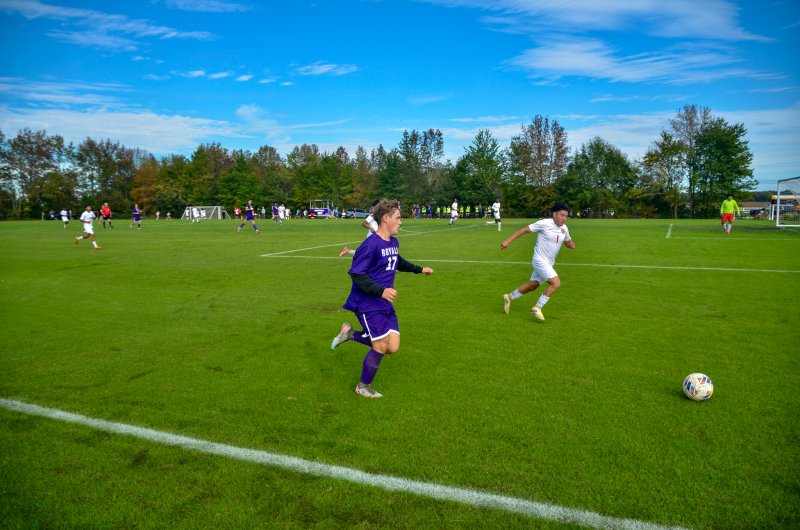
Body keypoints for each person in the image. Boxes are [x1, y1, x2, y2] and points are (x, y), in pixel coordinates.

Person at [330, 199, 433, 398]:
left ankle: (350, 334)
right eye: (398, 218)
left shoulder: (393, 242)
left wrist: (420, 270)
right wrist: (381, 291)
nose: (401, 222)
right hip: (367, 302)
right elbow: (357, 274)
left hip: (384, 302)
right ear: (386, 219)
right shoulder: (370, 245)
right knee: (380, 346)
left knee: (392, 346)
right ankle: (363, 386)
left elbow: (398, 261)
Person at [501, 202, 575, 321]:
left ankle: (509, 297)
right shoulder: (544, 223)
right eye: (562, 215)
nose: (564, 218)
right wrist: (507, 241)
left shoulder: (564, 228)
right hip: (539, 260)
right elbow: (525, 229)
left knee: (533, 285)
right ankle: (537, 307)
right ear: (554, 214)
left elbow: (567, 241)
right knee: (556, 283)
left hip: (549, 263)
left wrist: (571, 244)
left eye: (566, 216)